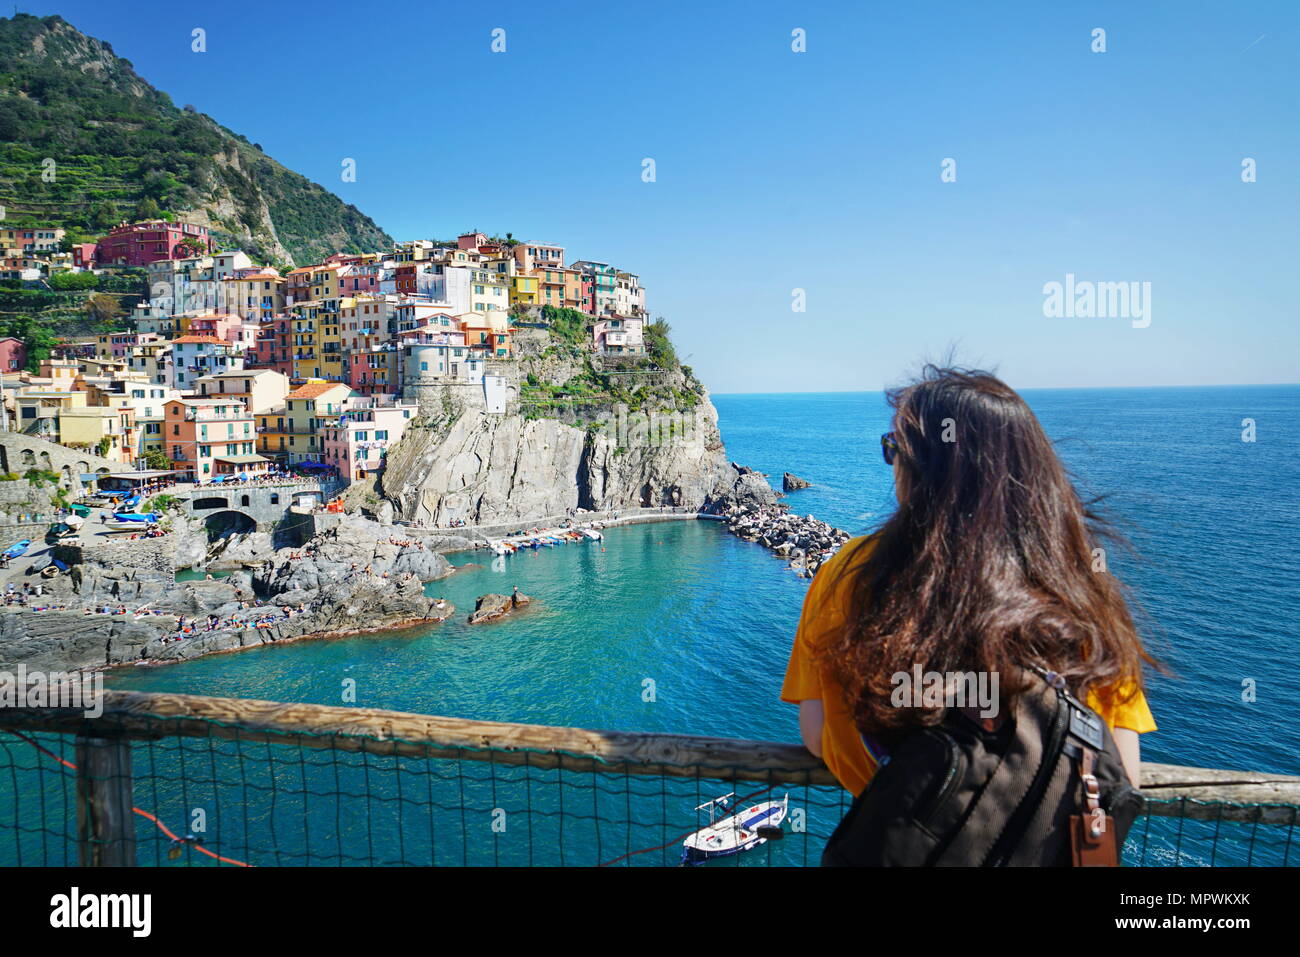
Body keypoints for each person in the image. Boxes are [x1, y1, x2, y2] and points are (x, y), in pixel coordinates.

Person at [783, 366, 1157, 803]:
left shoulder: (847, 574)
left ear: (918, 466)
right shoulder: (1081, 586)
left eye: (892, 448)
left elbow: (817, 732)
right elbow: (1123, 771)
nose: (890, 461)